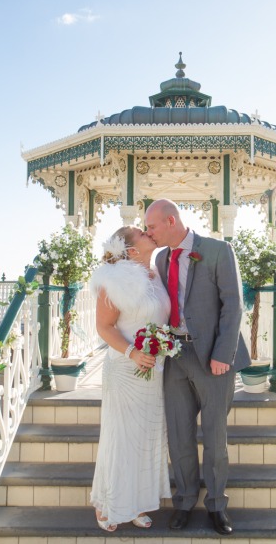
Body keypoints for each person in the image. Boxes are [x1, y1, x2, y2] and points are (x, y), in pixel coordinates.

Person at [145, 199, 251, 536]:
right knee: (179, 436)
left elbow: (233, 304)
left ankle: (217, 505)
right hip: (174, 355)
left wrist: (223, 353)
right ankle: (185, 500)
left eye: (152, 227)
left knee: (215, 437)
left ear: (171, 221)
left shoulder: (219, 250)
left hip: (212, 357)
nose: (149, 233)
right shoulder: (161, 258)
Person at [89, 226, 171, 532]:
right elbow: (104, 327)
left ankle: (136, 502)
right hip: (125, 368)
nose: (148, 231)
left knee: (145, 439)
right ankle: (108, 503)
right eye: (140, 231)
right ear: (132, 249)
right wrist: (133, 353)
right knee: (121, 437)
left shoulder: (156, 273)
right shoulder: (113, 279)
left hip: (154, 369)